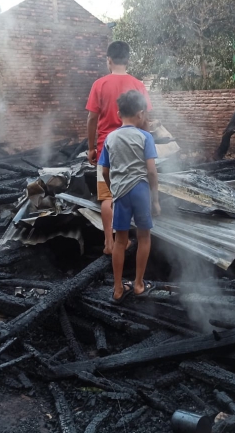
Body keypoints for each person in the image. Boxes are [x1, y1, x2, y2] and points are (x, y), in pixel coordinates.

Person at [86, 41, 152, 255]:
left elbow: (91, 118)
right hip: (134, 147)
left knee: (107, 196)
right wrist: (146, 140)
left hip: (107, 145)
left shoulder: (100, 84)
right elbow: (146, 118)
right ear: (128, 59)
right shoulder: (138, 85)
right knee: (133, 190)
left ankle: (109, 242)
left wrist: (91, 148)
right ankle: (130, 236)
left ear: (109, 60)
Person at [99, 90, 160, 303]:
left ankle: (117, 288)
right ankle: (139, 284)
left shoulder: (110, 138)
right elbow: (151, 171)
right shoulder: (145, 137)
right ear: (141, 113)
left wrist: (112, 189)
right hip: (141, 191)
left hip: (121, 193)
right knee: (144, 237)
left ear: (118, 113)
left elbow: (104, 171)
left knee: (120, 241)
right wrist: (155, 200)